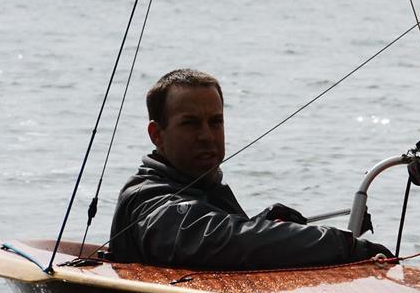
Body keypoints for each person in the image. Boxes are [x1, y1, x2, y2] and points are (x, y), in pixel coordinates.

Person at [109, 69, 392, 269]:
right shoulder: (148, 200)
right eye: (190, 123)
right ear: (156, 135)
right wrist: (342, 245)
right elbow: (218, 240)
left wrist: (267, 221)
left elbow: (224, 234)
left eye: (215, 122)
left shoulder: (206, 189)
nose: (207, 135)